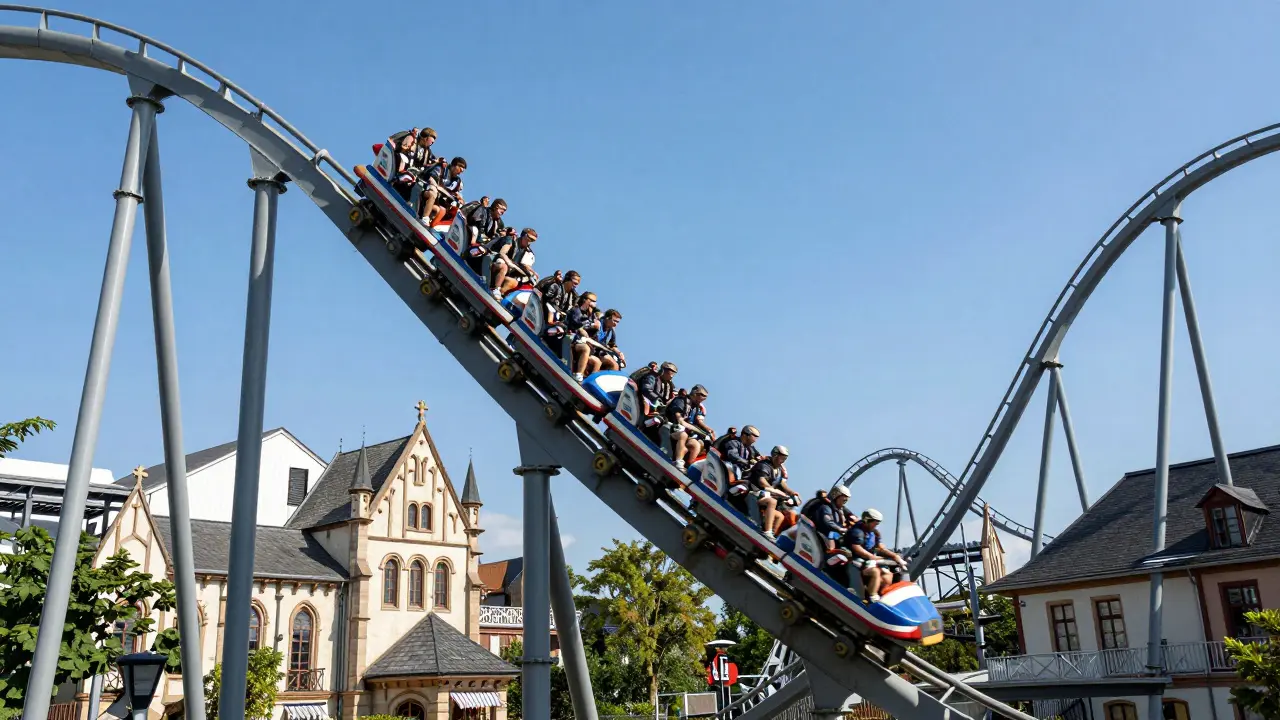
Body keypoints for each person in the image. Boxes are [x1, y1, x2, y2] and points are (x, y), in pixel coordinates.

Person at [846, 508, 906, 603]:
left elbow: (881, 548)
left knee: (887, 574)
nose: (876, 525)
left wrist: (895, 556)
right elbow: (857, 548)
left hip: (870, 562)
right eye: (875, 522)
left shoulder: (875, 533)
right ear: (867, 520)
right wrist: (871, 556)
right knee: (875, 572)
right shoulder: (857, 532)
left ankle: (882, 595)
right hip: (856, 562)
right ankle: (871, 596)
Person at [744, 446, 800, 539]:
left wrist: (792, 493)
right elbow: (762, 481)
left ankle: (771, 537)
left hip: (763, 495)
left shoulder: (779, 470)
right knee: (772, 502)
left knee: (780, 516)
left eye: (785, 458)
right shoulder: (764, 465)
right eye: (782, 458)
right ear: (775, 455)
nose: (783, 460)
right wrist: (772, 489)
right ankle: (767, 532)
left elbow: (782, 483)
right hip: (752, 493)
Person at [665, 384, 712, 471]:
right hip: (670, 427)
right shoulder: (680, 401)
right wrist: (700, 432)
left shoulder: (696, 408)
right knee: (683, 435)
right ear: (695, 394)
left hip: (684, 431)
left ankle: (688, 467)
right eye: (700, 399)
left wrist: (706, 433)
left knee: (696, 445)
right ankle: (678, 462)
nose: (700, 402)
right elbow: (680, 420)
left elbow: (694, 424)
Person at [462, 198, 507, 273]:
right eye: (503, 209)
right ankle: (470, 252)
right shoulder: (483, 210)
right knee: (476, 233)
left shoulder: (497, 222)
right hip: (473, 231)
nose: (503, 213)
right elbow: (477, 224)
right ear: (497, 206)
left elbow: (495, 234)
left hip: (483, 241)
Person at [490, 228, 538, 297]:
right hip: (493, 263)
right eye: (529, 239)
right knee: (504, 266)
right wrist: (509, 263)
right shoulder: (510, 240)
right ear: (524, 236)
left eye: (532, 241)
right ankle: (496, 289)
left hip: (507, 272)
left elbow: (524, 265)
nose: (529, 242)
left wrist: (531, 274)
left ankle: (500, 295)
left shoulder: (526, 251)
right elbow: (502, 253)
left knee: (514, 282)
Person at [421, 156, 467, 225]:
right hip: (426, 190)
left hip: (438, 200)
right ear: (455, 165)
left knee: (440, 210)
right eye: (460, 169)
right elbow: (431, 179)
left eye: (462, 170)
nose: (461, 172)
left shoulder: (456, 181)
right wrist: (438, 187)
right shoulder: (442, 168)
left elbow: (453, 193)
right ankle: (425, 218)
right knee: (433, 192)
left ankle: (429, 225)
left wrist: (459, 199)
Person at [390, 132, 418, 200]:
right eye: (413, 143)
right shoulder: (400, 156)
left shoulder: (409, 157)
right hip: (396, 179)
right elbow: (400, 170)